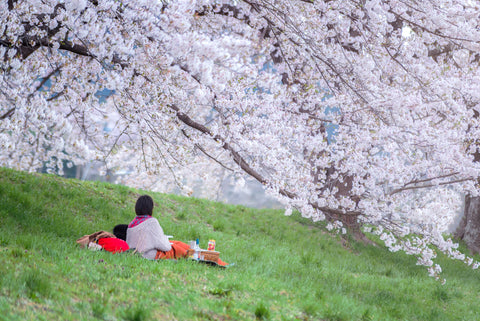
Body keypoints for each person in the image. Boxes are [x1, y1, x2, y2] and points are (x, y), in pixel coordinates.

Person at [126, 195, 173, 259]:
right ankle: (190, 254)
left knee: (176, 243)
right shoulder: (152, 222)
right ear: (151, 208)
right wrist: (166, 239)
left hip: (133, 253)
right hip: (148, 254)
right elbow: (165, 247)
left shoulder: (132, 223)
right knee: (176, 247)